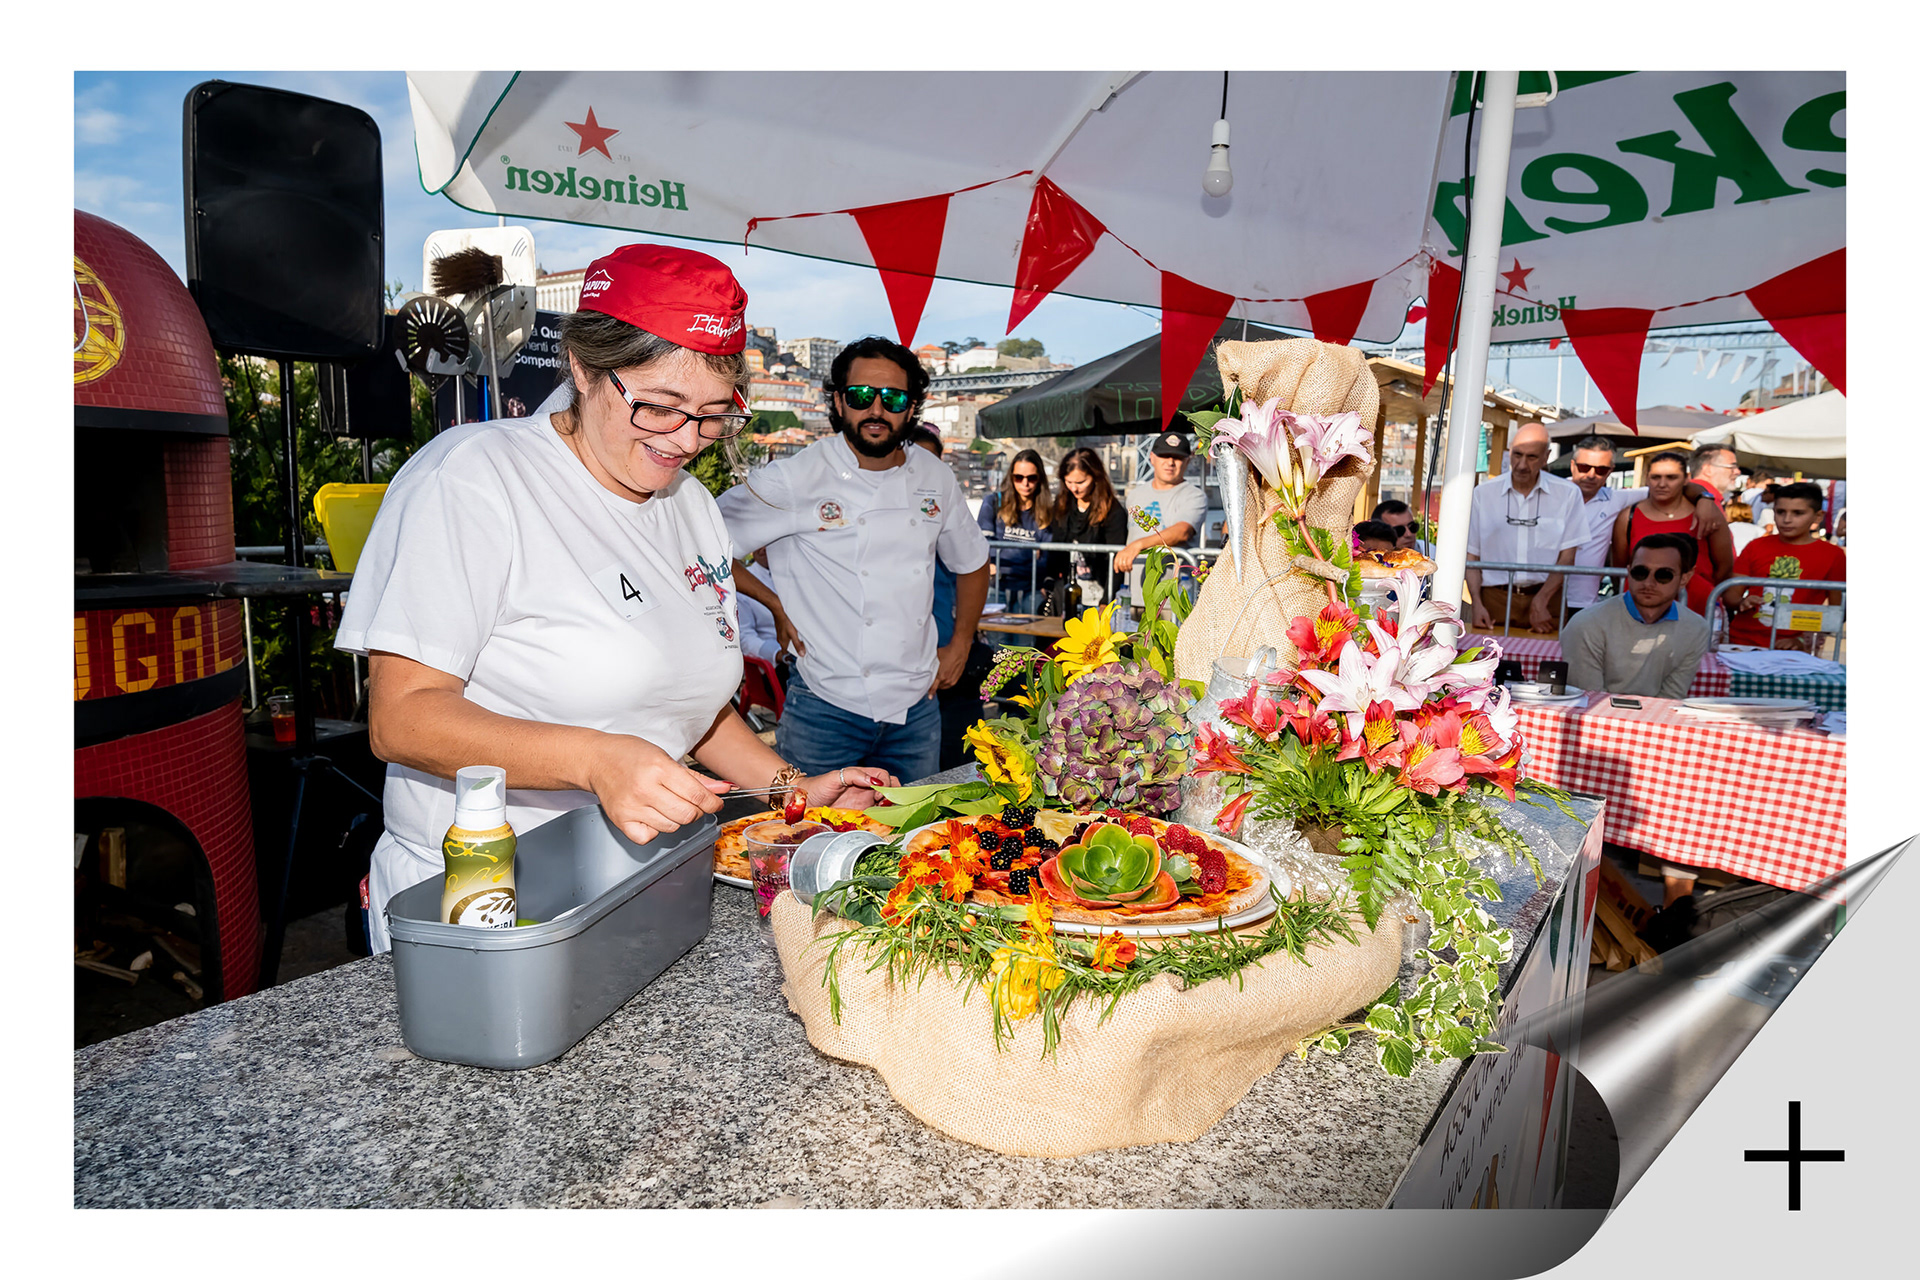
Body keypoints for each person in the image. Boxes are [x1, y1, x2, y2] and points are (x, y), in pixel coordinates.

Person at [335, 244, 891, 953]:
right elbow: (404, 719)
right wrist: (596, 761)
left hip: (642, 886)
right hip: (483, 898)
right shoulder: (475, 479)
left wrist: (792, 790)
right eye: (660, 407)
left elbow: (686, 703)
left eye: (714, 415)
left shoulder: (690, 505)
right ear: (582, 369)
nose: (687, 440)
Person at [717, 336, 989, 784]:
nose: (876, 410)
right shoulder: (796, 477)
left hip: (917, 708)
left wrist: (960, 644)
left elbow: (973, 561)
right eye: (862, 396)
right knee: (805, 840)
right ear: (839, 402)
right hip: (826, 708)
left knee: (915, 844)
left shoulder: (934, 476)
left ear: (912, 406)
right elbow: (700, 541)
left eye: (893, 398)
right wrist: (773, 602)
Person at [908, 427, 996, 770]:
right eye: (916, 457)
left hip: (947, 656)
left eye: (933, 459)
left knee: (959, 764)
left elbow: (976, 565)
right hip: (907, 665)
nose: (924, 466)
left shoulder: (944, 508)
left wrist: (961, 642)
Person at [1561, 532, 1711, 700]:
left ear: (1685, 578)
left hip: (1655, 721)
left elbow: (1670, 699)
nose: (1649, 583)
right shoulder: (1586, 624)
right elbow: (1590, 699)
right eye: (1640, 572)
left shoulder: (1696, 629)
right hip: (1597, 721)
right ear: (1628, 571)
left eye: (1664, 575)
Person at [1465, 423, 1584, 635]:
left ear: (1546, 457)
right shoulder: (1483, 493)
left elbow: (1568, 557)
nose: (1521, 464)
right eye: (1517, 454)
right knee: (1487, 663)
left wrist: (1542, 599)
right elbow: (1471, 555)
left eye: (1532, 457)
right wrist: (1476, 603)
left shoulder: (1568, 494)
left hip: (1548, 598)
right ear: (1509, 451)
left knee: (1547, 665)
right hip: (1494, 598)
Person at [1610, 450, 1733, 618]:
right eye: (1656, 477)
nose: (1662, 484)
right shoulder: (1629, 516)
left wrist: (1702, 588)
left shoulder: (1706, 513)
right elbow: (1619, 567)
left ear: (1686, 479)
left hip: (1696, 607)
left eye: (1671, 477)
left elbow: (1724, 565)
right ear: (1647, 478)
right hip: (1641, 610)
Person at [1724, 481, 1846, 650]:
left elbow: (1835, 612)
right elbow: (1731, 595)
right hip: (1743, 642)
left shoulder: (1834, 555)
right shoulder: (1756, 546)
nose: (1787, 519)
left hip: (1795, 650)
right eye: (1780, 512)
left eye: (1798, 513)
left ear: (1818, 516)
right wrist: (1742, 602)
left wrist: (1802, 641)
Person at [1562, 436, 1646, 625]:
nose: (1591, 475)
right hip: (1543, 597)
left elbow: (1664, 488)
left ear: (1610, 472)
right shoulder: (1552, 493)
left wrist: (1703, 498)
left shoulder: (1615, 498)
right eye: (1585, 467)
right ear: (1573, 465)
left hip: (1585, 604)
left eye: (1601, 470)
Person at [1117, 429, 1207, 606]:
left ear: (1187, 461)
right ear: (1152, 457)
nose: (1170, 462)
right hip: (1132, 594)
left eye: (1178, 457)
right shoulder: (1134, 495)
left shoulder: (1195, 496)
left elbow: (1182, 532)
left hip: (1171, 598)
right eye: (1164, 456)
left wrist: (1137, 546)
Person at [977, 448, 1054, 614]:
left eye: (1031, 478)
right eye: (1019, 478)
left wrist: (1002, 556)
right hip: (996, 586)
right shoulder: (993, 502)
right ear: (1011, 477)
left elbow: (1046, 558)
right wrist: (1029, 555)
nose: (1025, 484)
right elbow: (983, 545)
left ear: (1039, 478)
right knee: (996, 638)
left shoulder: (1047, 511)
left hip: (1031, 589)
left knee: (1025, 639)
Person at [1050, 446, 1128, 605]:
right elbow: (1054, 549)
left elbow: (1115, 560)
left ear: (1095, 477)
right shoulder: (1062, 504)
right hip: (1065, 595)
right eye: (1068, 481)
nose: (1074, 488)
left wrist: (1106, 600)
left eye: (1080, 482)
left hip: (1098, 594)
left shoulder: (1113, 511)